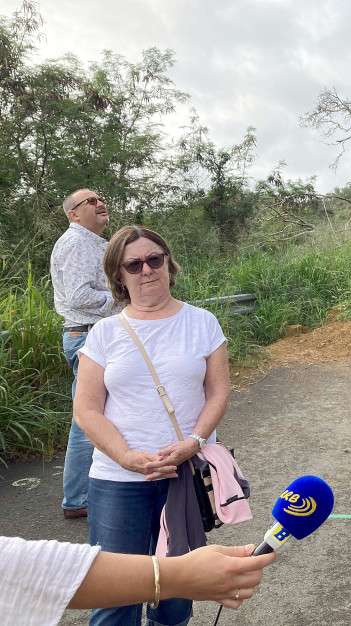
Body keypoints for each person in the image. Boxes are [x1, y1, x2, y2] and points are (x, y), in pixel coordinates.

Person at [74, 225, 230, 626]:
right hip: (117, 481)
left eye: (154, 259)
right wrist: (126, 457)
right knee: (114, 598)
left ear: (168, 263)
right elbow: (87, 410)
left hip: (184, 475)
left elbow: (218, 393)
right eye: (134, 264)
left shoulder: (202, 323)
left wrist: (194, 442)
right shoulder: (104, 333)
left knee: (176, 594)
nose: (146, 270)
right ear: (119, 275)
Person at [0, 535, 275, 626]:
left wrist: (196, 440)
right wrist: (183, 574)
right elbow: (22, 569)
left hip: (185, 465)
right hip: (115, 474)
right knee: (113, 614)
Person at [50, 189, 118, 519]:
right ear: (73, 214)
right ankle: (77, 498)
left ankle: (94, 489)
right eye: (90, 201)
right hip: (88, 336)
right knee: (86, 419)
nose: (100, 202)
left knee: (101, 413)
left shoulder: (92, 243)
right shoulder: (76, 243)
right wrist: (123, 299)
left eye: (100, 197)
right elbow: (78, 297)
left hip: (96, 334)